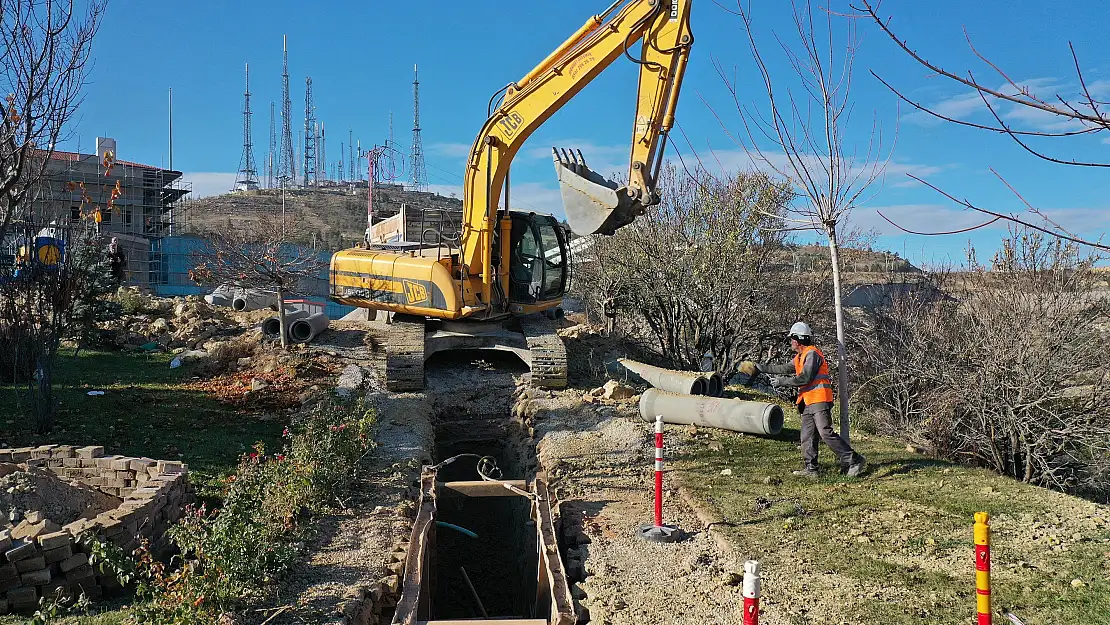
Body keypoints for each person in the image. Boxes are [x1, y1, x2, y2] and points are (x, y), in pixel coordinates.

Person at [741, 322, 865, 479]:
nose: (790, 342)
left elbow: (806, 377)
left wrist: (782, 382)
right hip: (807, 401)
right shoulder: (800, 356)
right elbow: (784, 368)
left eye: (792, 339)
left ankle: (854, 460)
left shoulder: (812, 354)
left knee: (825, 433)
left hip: (819, 399)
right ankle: (811, 469)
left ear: (797, 339)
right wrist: (759, 367)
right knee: (807, 435)